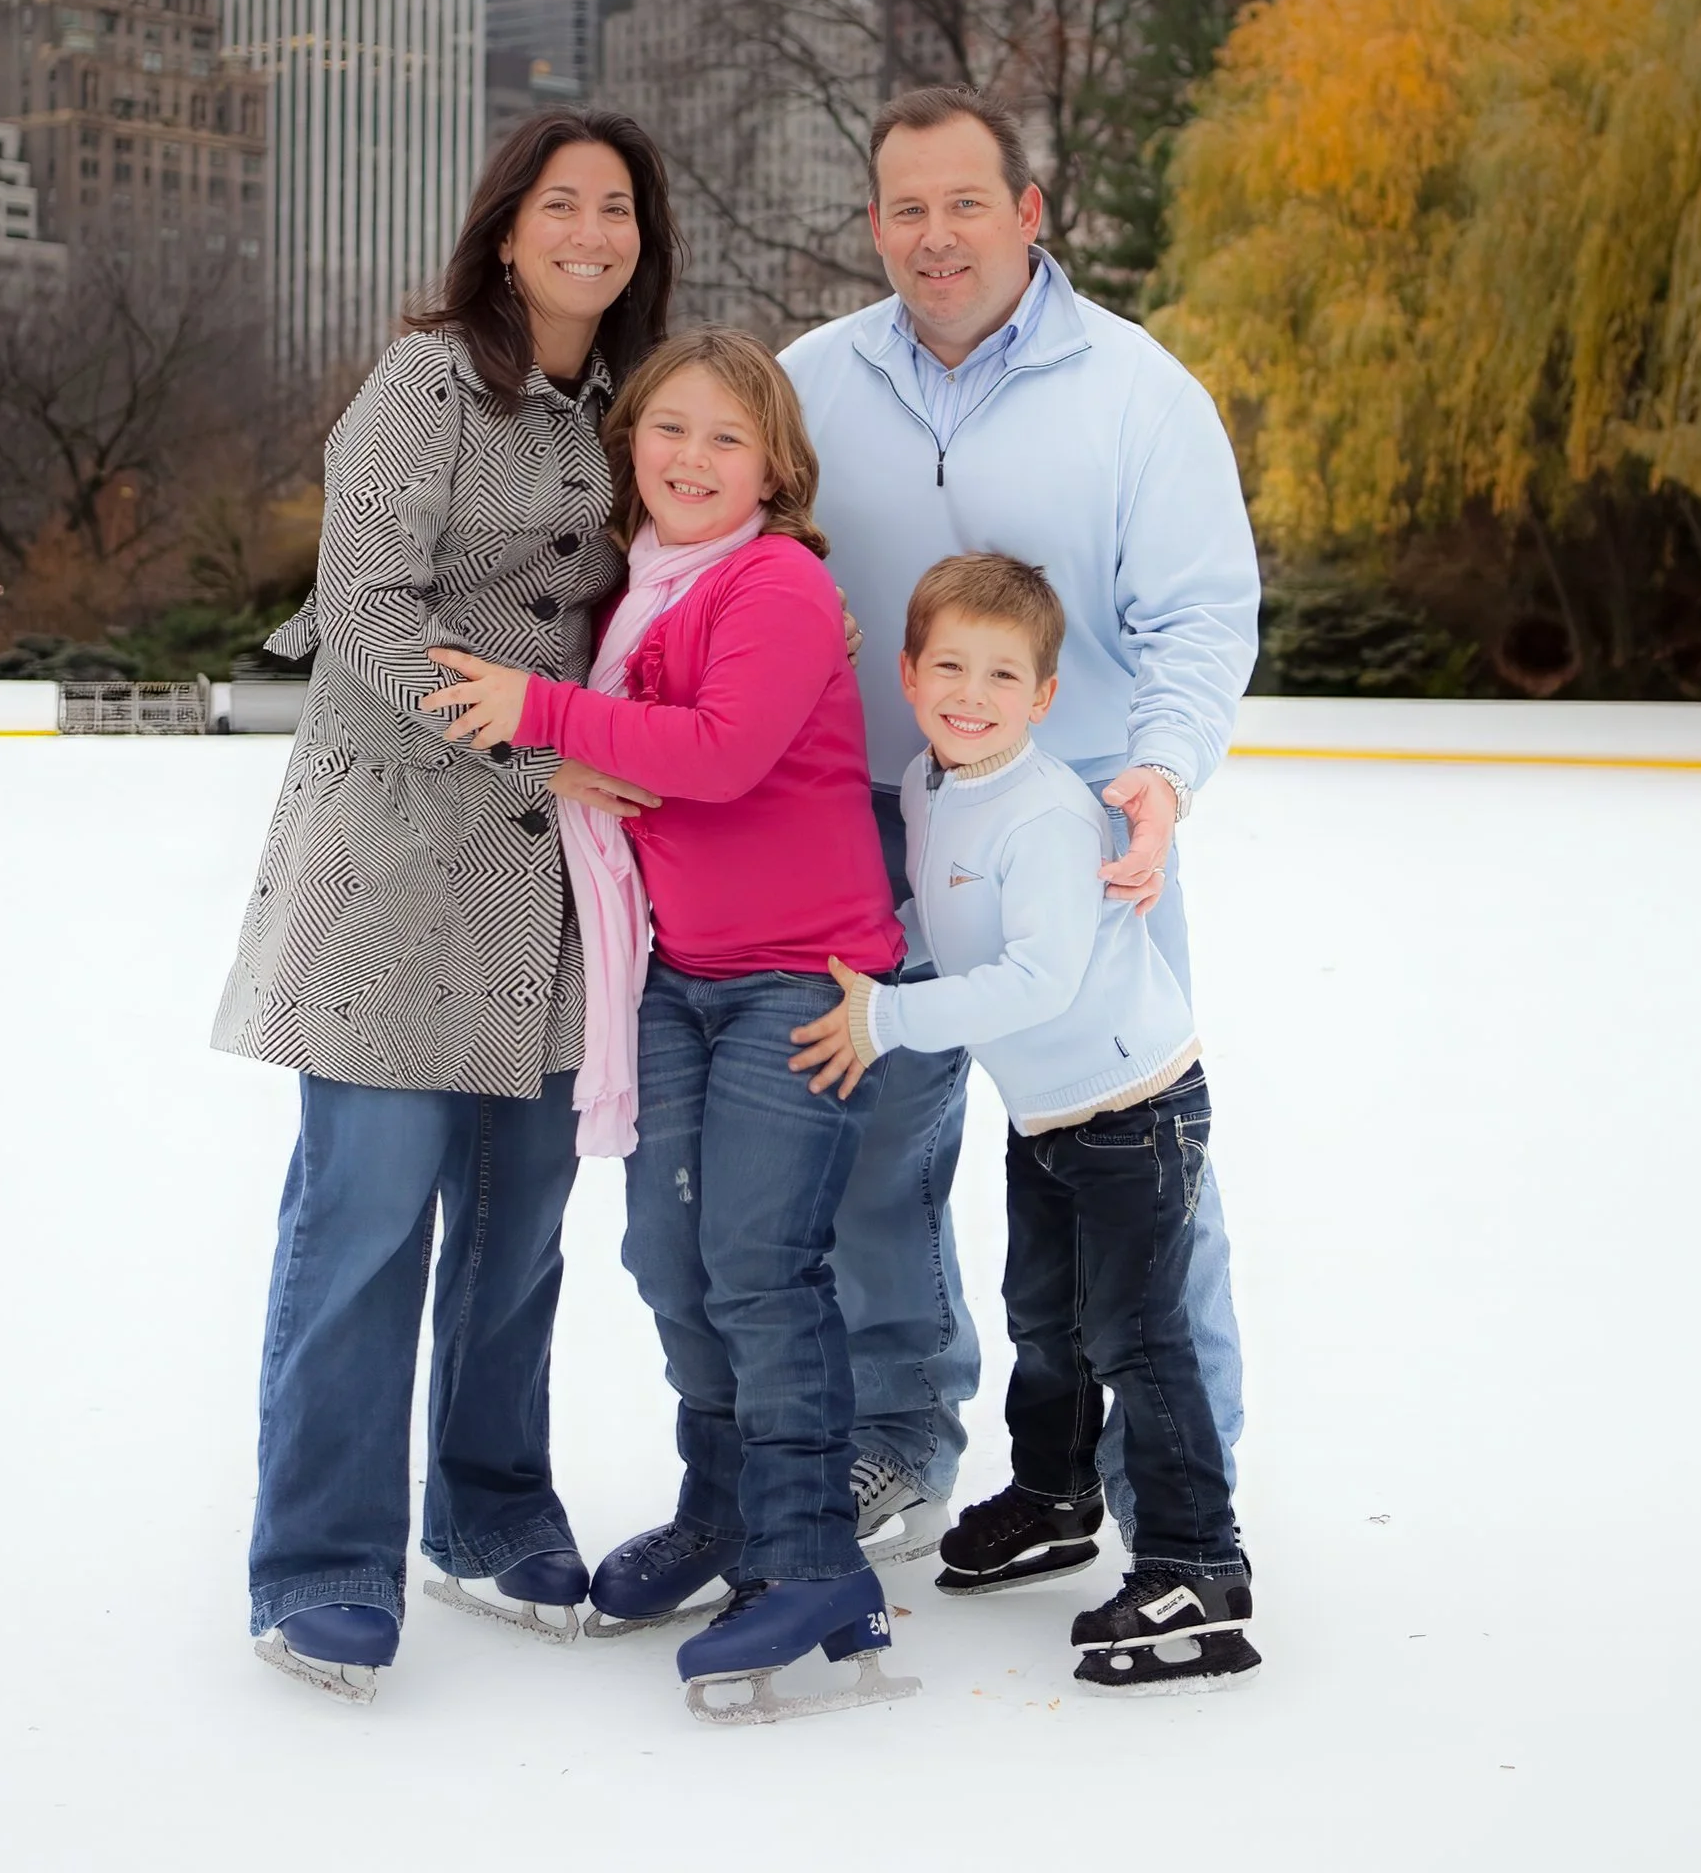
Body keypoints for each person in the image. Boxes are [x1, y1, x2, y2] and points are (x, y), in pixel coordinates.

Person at [209, 110, 681, 1707]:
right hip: (404, 854)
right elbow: (365, 610)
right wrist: (543, 739)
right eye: (564, 204)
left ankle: (486, 1514)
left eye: (619, 209)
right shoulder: (427, 381)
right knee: (368, 1214)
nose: (593, 231)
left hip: (558, 878)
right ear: (504, 230)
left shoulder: (635, 408)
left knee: (520, 1218)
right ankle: (325, 1559)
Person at [779, 83, 1258, 1559]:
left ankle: (1176, 1494)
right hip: (871, 833)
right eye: (906, 208)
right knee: (873, 1169)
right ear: (874, 225)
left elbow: (1198, 615)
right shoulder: (805, 383)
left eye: (965, 202)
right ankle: (904, 1440)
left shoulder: (1136, 390)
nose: (936, 236)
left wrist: (1162, 780)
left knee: (1131, 1170)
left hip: (1083, 839)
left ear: (1030, 212)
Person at [421, 330, 911, 1724]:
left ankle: (810, 1554)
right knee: (666, 1256)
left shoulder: (777, 582)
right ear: (630, 442)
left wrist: (539, 711)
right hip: (679, 978)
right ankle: (724, 1511)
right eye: (669, 430)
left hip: (794, 981)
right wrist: (570, 736)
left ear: (777, 468)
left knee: (759, 1263)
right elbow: (636, 755)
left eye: (728, 440)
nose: (692, 458)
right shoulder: (636, 591)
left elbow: (719, 753)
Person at [790, 553, 1257, 1693]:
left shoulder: (1048, 813)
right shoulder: (928, 784)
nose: (971, 692)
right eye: (948, 664)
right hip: (1049, 1110)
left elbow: (1039, 977)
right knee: (1045, 1314)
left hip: (1134, 1105)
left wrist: (887, 1017)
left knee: (1138, 1335)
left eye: (1003, 674)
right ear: (906, 675)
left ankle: (1201, 1560)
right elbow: (934, 906)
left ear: (1044, 698)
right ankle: (1055, 1496)